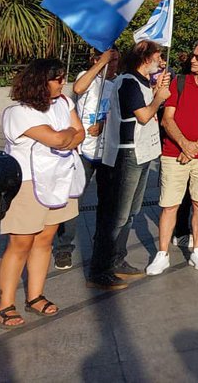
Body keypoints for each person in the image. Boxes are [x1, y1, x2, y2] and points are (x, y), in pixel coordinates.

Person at [0, 58, 86, 327]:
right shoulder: (19, 112)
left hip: (60, 178)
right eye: (57, 78)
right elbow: (60, 138)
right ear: (40, 82)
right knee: (20, 243)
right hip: (28, 182)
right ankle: (5, 304)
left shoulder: (64, 103)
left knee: (45, 239)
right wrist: (68, 133)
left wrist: (67, 133)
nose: (63, 83)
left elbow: (79, 134)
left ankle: (34, 295)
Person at [89, 41, 170, 289]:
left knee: (131, 212)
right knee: (118, 215)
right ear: (145, 57)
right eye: (157, 55)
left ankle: (118, 259)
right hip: (129, 153)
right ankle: (100, 268)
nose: (160, 60)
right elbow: (144, 115)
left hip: (144, 152)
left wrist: (156, 91)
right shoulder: (128, 81)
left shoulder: (143, 81)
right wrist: (158, 99)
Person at [146, 40, 198, 276]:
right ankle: (162, 253)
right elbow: (168, 119)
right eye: (193, 55)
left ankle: (197, 250)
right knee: (169, 205)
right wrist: (185, 144)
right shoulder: (179, 81)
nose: (193, 60)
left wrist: (196, 146)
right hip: (173, 152)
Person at [54, 48, 118, 269]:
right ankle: (64, 247)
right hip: (83, 151)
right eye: (112, 60)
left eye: (116, 61)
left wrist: (104, 125)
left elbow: (119, 115)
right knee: (74, 199)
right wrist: (101, 64)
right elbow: (78, 88)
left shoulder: (117, 83)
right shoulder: (87, 77)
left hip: (107, 150)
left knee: (107, 201)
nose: (114, 65)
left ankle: (101, 241)